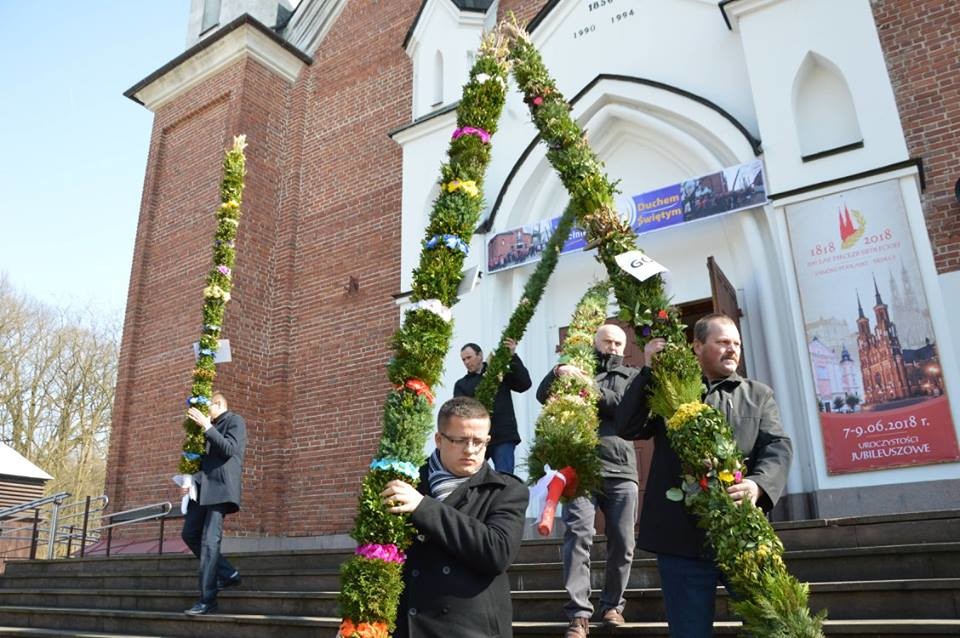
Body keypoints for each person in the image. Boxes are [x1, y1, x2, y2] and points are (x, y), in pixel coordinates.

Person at [616, 313, 793, 638]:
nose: (732, 349)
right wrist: (649, 371)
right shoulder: (669, 390)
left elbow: (777, 446)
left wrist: (757, 485)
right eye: (723, 342)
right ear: (696, 346)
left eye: (736, 343)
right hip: (681, 540)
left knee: (768, 628)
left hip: (741, 533)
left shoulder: (757, 393)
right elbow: (626, 426)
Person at [383, 396, 529, 638]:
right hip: (408, 627)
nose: (470, 450)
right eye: (460, 440)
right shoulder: (408, 482)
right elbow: (379, 551)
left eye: (479, 442)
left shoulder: (505, 490)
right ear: (439, 439)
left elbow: (497, 552)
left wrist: (423, 507)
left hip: (471, 630)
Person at [535, 324, 639, 637]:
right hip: (581, 467)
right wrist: (558, 370)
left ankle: (612, 606)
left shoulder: (631, 376)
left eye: (619, 343)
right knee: (578, 536)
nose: (614, 348)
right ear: (595, 342)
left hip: (621, 469)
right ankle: (579, 614)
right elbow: (543, 396)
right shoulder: (577, 369)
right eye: (608, 341)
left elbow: (622, 407)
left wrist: (584, 386)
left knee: (623, 541)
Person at [180, 392, 247, 615]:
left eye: (207, 407)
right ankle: (228, 573)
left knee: (210, 542)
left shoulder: (234, 420)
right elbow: (205, 464)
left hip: (220, 490)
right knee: (189, 533)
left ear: (218, 404)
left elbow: (230, 450)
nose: (204, 413)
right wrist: (189, 482)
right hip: (202, 490)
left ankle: (207, 600)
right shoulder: (208, 427)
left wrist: (207, 426)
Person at [453, 339, 532, 474]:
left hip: (503, 436)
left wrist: (512, 355)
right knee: (472, 477)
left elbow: (524, 384)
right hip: (475, 439)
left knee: (504, 477)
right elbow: (460, 412)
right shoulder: (461, 384)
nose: (466, 362)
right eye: (463, 360)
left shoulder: (498, 371)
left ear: (480, 355)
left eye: (469, 357)